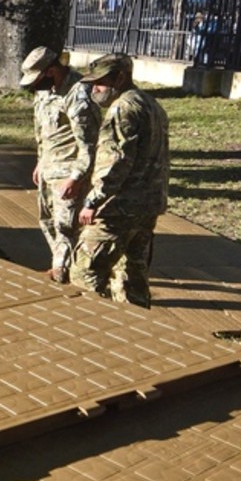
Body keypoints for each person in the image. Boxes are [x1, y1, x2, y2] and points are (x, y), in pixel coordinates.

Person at [74, 53, 170, 308]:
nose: (96, 89)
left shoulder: (122, 108)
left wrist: (93, 201)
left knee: (86, 272)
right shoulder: (151, 104)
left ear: (120, 78)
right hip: (147, 205)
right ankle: (136, 328)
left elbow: (115, 162)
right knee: (133, 276)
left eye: (101, 83)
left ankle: (85, 327)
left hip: (119, 207)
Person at [22, 45, 97, 284]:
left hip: (68, 172)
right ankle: (60, 264)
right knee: (47, 222)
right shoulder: (44, 92)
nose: (34, 85)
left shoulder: (78, 94)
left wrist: (77, 177)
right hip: (48, 169)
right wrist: (40, 161)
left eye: (37, 79)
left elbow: (89, 144)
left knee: (66, 226)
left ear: (52, 71)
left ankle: (63, 273)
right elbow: (42, 131)